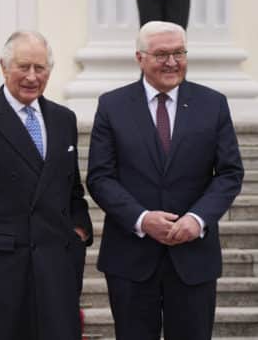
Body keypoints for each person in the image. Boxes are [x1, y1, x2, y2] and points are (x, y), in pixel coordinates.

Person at [86, 21, 244, 340]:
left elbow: (229, 173)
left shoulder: (213, 104)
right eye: (161, 54)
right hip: (131, 258)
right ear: (139, 57)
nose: (172, 62)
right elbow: (101, 176)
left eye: (179, 53)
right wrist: (142, 219)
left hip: (193, 259)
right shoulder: (111, 105)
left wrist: (197, 219)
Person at [0, 30, 93, 340]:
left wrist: (79, 230)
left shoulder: (64, 119)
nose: (32, 77)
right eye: (24, 67)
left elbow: (71, 188)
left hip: (55, 266)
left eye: (41, 68)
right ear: (4, 67)